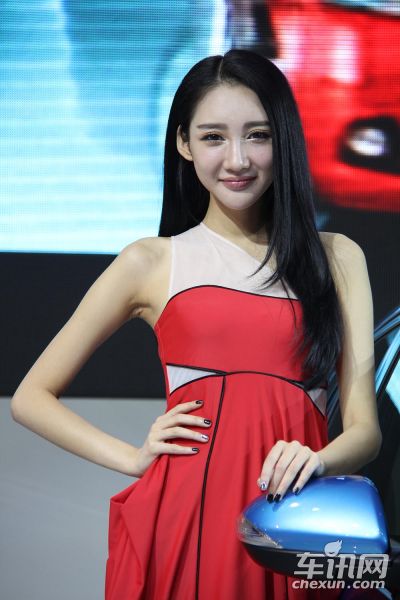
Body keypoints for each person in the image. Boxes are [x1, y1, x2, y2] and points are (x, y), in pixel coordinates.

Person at [11, 49, 381, 599]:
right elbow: (30, 398)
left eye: (258, 135)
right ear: (184, 144)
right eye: (213, 138)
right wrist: (134, 458)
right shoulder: (150, 262)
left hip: (292, 522)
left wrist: (318, 457)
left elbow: (365, 431)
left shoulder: (337, 257)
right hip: (185, 515)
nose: (238, 159)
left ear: (283, 139)